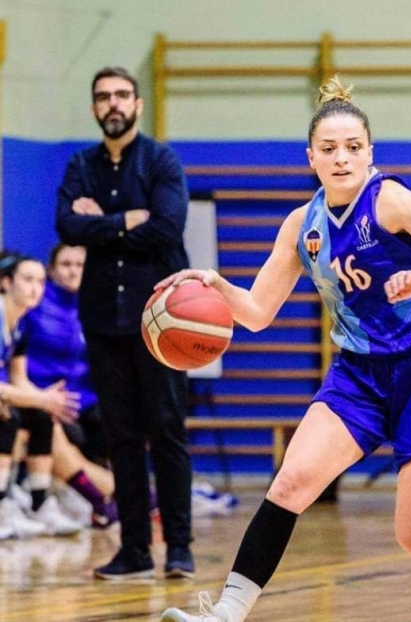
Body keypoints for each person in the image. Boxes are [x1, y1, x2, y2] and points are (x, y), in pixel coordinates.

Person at [159, 75, 411, 622]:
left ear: (370, 154)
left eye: (353, 148)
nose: (342, 159)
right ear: (310, 157)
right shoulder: (301, 226)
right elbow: (258, 313)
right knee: (290, 481)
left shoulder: (392, 201)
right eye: (329, 149)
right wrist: (215, 286)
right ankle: (226, 612)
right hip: (359, 375)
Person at [55, 66, 194, 579]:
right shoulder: (80, 164)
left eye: (121, 95)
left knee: (167, 431)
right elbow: (67, 225)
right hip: (103, 318)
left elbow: (165, 228)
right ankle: (134, 549)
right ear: (94, 108)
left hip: (159, 320)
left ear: (137, 103)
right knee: (121, 437)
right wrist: (125, 219)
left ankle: (178, 546)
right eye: (102, 97)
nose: (112, 104)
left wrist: (100, 225)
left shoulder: (161, 160)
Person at [21, 243, 118, 528]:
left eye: (80, 264)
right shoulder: (34, 306)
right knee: (54, 430)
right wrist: (44, 398)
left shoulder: (94, 304)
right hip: (42, 396)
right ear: (52, 270)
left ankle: (117, 496)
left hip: (83, 400)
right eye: (66, 264)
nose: (74, 270)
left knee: (121, 423)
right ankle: (118, 498)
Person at [0, 252, 83, 540]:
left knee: (40, 416)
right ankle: (2, 506)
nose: (35, 288)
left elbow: (19, 379)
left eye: (40, 281)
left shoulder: (22, 324)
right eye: (27, 280)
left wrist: (48, 400)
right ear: (6, 282)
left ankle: (38, 503)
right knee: (7, 418)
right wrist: (41, 399)